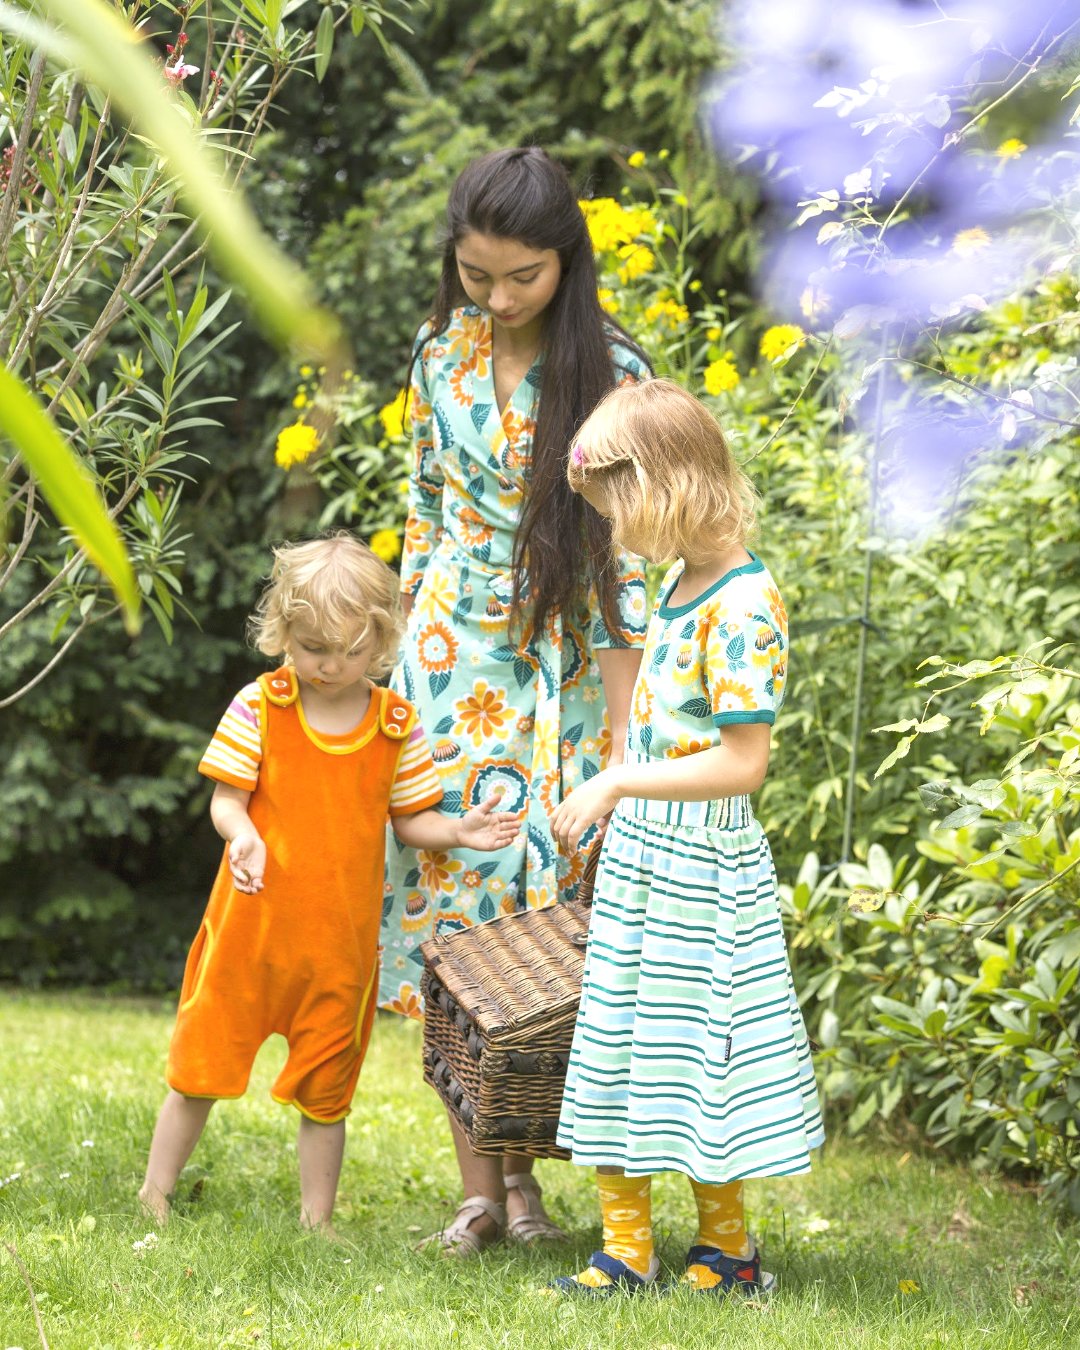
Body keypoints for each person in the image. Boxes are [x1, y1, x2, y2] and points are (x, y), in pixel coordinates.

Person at [378, 146, 651, 1255]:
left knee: (548, 925)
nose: (496, 297)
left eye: (522, 277)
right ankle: (480, 1191)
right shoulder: (440, 354)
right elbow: (424, 515)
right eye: (478, 273)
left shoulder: (615, 370)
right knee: (454, 916)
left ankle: (535, 1185)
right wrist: (395, 678)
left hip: (574, 681)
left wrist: (629, 731)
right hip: (448, 668)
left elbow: (632, 559)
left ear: (566, 264)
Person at [139, 534, 521, 1231]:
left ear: (378, 640)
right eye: (315, 647)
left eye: (351, 651)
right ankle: (155, 1194)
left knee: (326, 1094)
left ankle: (317, 1220)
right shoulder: (262, 707)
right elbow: (227, 800)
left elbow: (414, 820)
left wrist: (460, 831)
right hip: (247, 939)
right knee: (199, 1069)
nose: (332, 665)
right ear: (284, 633)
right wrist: (243, 833)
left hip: (336, 954)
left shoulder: (392, 726)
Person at [548, 379, 824, 1297]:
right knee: (624, 1042)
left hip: (703, 866)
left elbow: (745, 763)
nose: (613, 533)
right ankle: (624, 1249)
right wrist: (622, 796)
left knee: (705, 1054)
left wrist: (621, 777)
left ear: (664, 489)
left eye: (616, 512)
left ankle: (728, 1252)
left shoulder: (744, 604)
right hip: (648, 860)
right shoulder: (682, 581)